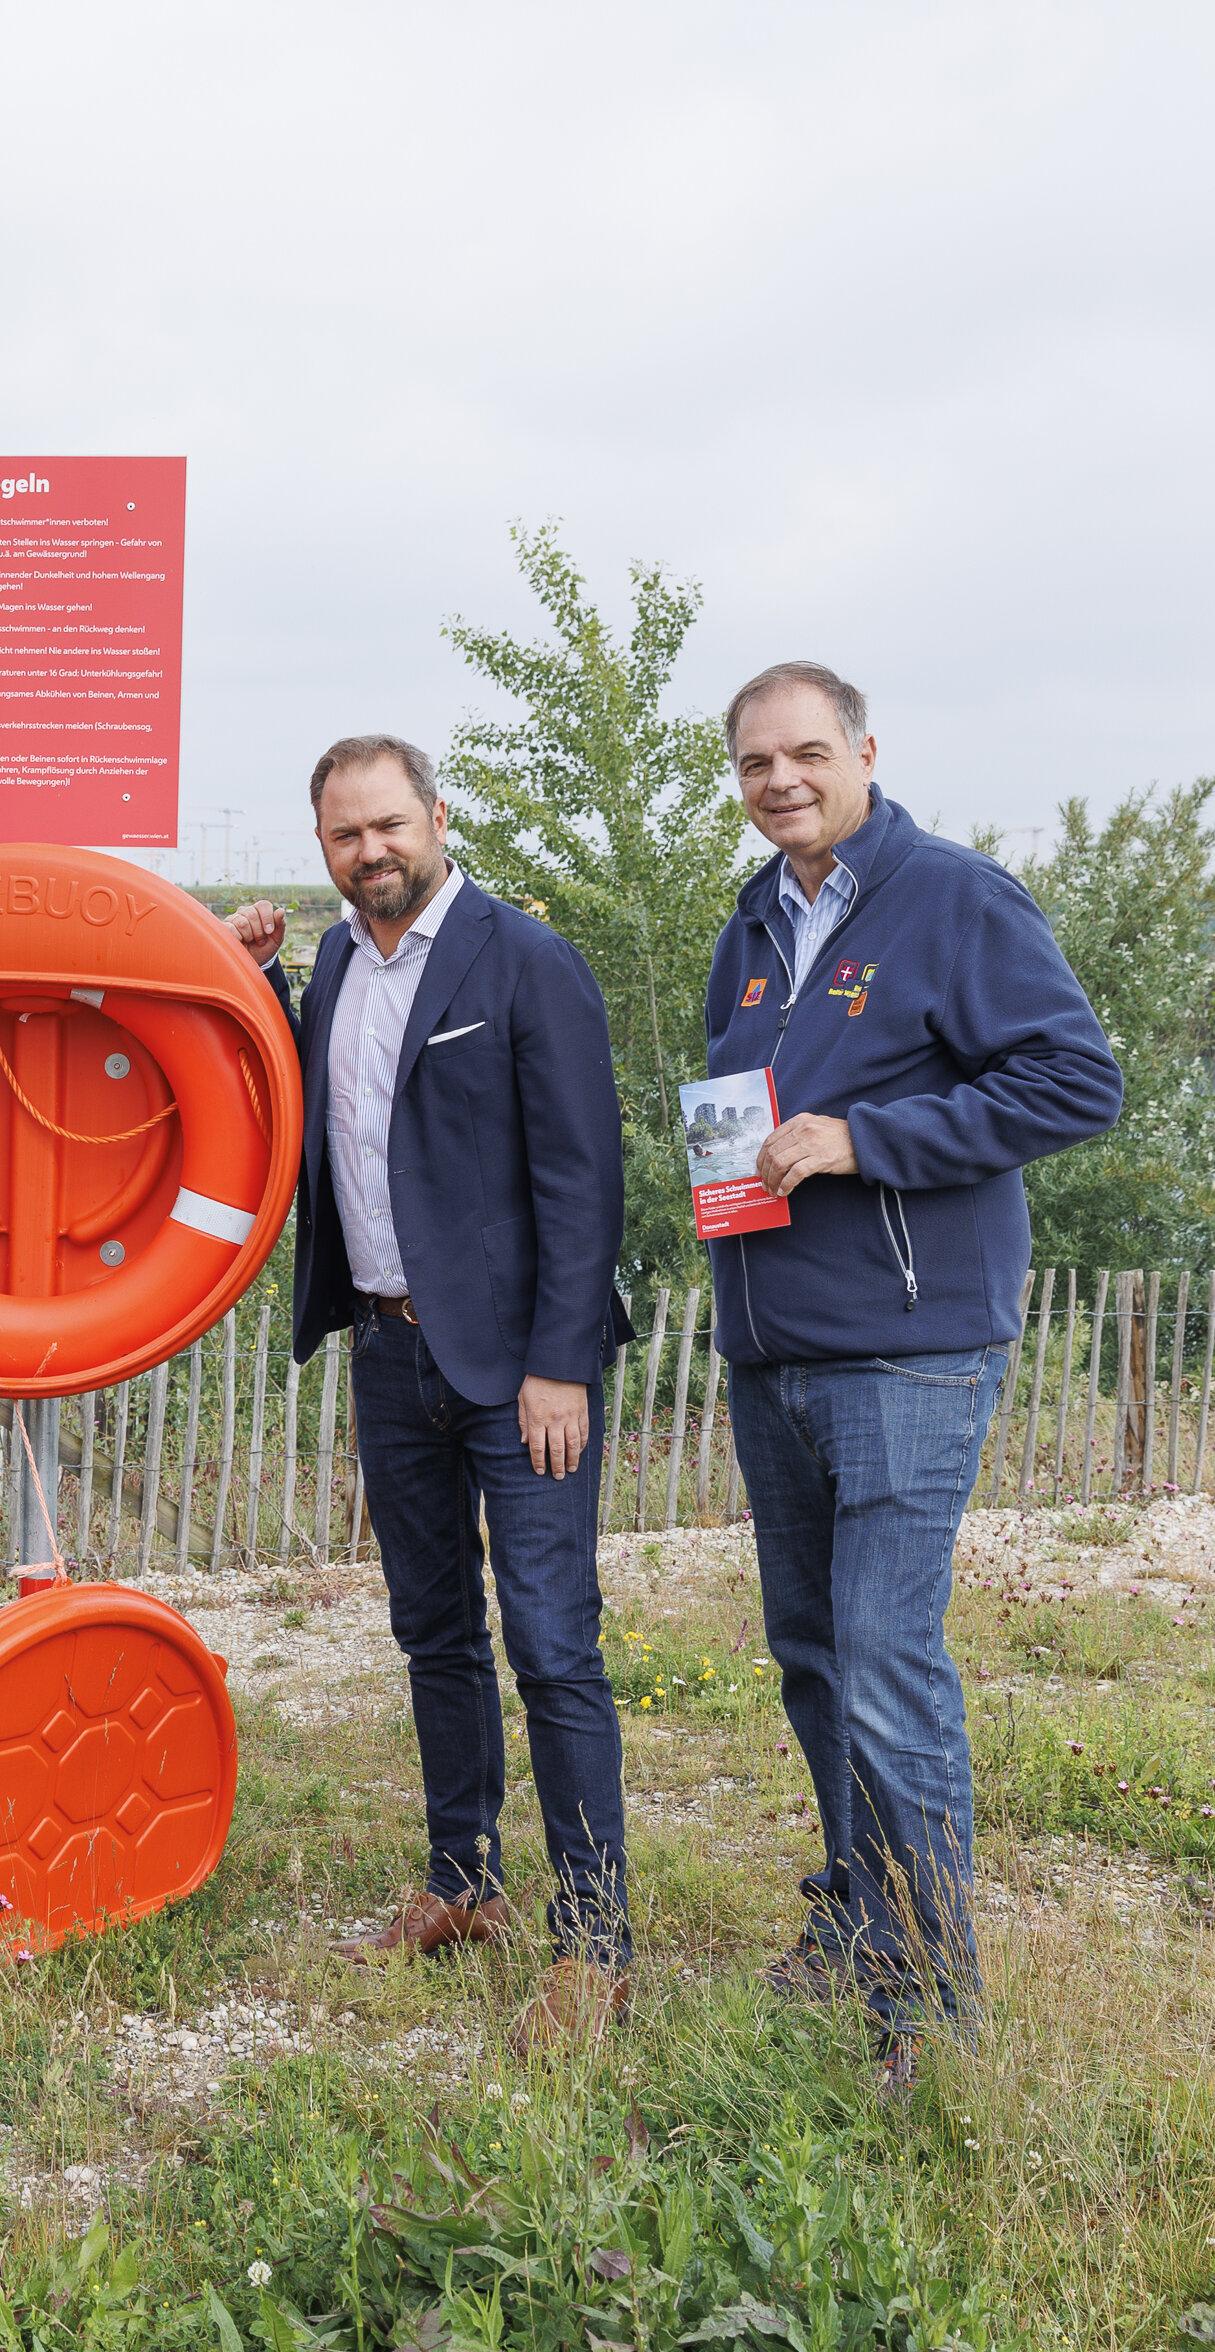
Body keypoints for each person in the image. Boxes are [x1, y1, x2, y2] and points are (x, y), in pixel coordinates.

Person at [701, 661, 1120, 2085]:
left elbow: (1074, 1081)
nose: (779, 781)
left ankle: (931, 2012)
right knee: (813, 1667)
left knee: (884, 1668)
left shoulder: (955, 897)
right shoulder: (752, 919)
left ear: (863, 751)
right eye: (755, 763)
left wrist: (861, 1140)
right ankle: (857, 1919)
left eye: (804, 753)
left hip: (908, 1351)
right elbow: (742, 1109)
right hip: (773, 1347)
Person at [227, 736, 639, 2050]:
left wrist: (557, 1363)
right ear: (322, 848)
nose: (371, 852)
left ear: (436, 817)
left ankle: (594, 1946)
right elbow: (325, 1114)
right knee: (432, 1633)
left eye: (389, 825)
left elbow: (584, 1178)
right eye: (345, 835)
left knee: (550, 1644)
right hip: (388, 1351)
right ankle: (461, 1884)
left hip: (519, 1371)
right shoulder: (339, 961)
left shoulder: (523, 959)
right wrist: (249, 977)